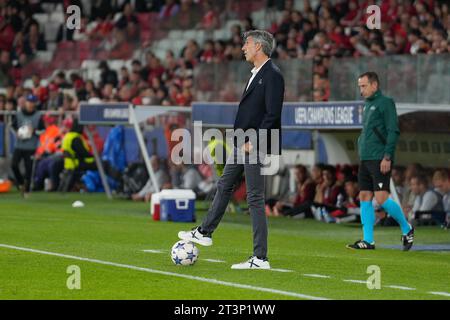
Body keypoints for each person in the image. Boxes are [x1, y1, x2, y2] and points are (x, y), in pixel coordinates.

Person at [178, 30, 285, 269]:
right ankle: (205, 232)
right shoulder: (257, 74)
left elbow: (272, 114)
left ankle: (260, 258)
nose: (243, 48)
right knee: (224, 185)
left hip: (254, 143)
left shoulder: (272, 75)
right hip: (242, 142)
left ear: (258, 46)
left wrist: (254, 141)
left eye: (246, 44)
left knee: (255, 198)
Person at [347, 71, 414, 251]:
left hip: (379, 158)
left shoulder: (385, 103)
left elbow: (393, 131)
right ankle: (368, 240)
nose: (361, 90)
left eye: (364, 86)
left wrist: (387, 156)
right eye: (359, 86)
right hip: (366, 158)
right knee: (364, 196)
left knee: (382, 198)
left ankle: (407, 228)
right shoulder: (367, 105)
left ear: (374, 85)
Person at [11, 94, 44, 195]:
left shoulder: (38, 116)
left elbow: (42, 131)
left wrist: (33, 131)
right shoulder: (19, 114)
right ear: (26, 103)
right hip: (19, 145)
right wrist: (16, 133)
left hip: (31, 146)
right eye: (29, 102)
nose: (30, 104)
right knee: (14, 165)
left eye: (32, 102)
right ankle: (21, 183)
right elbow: (12, 126)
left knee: (29, 169)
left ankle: (26, 190)